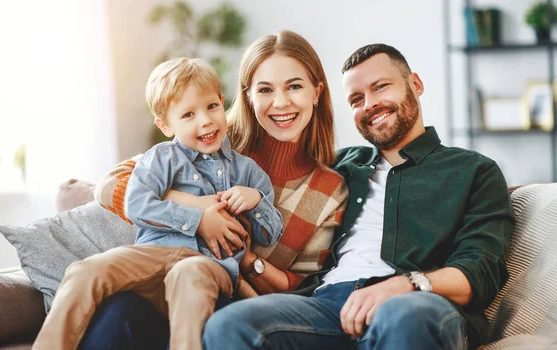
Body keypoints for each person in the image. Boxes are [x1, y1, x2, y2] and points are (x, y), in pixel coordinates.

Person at [201, 44, 515, 350]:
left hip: (415, 305)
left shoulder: (473, 171)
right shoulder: (339, 166)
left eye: (381, 87)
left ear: (415, 84)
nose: (370, 104)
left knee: (405, 315)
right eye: (356, 99)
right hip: (326, 305)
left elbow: (483, 268)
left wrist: (407, 284)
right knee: (230, 324)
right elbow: (260, 148)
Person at [78, 30, 349, 349]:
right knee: (118, 310)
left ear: (317, 92)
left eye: (294, 86)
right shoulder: (213, 135)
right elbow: (111, 185)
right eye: (265, 89)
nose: (280, 102)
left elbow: (303, 289)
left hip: (232, 298)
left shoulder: (329, 189)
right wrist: (200, 211)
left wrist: (246, 258)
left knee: (219, 321)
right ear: (248, 95)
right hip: (160, 274)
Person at [33, 57, 285, 350]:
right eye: (188, 114)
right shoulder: (161, 158)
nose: (204, 120)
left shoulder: (247, 171)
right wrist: (198, 219)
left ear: (222, 102)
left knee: (188, 274)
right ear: (165, 125)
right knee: (84, 270)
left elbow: (270, 235)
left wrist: (256, 200)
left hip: (207, 266)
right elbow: (138, 206)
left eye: (211, 107)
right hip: (152, 255)